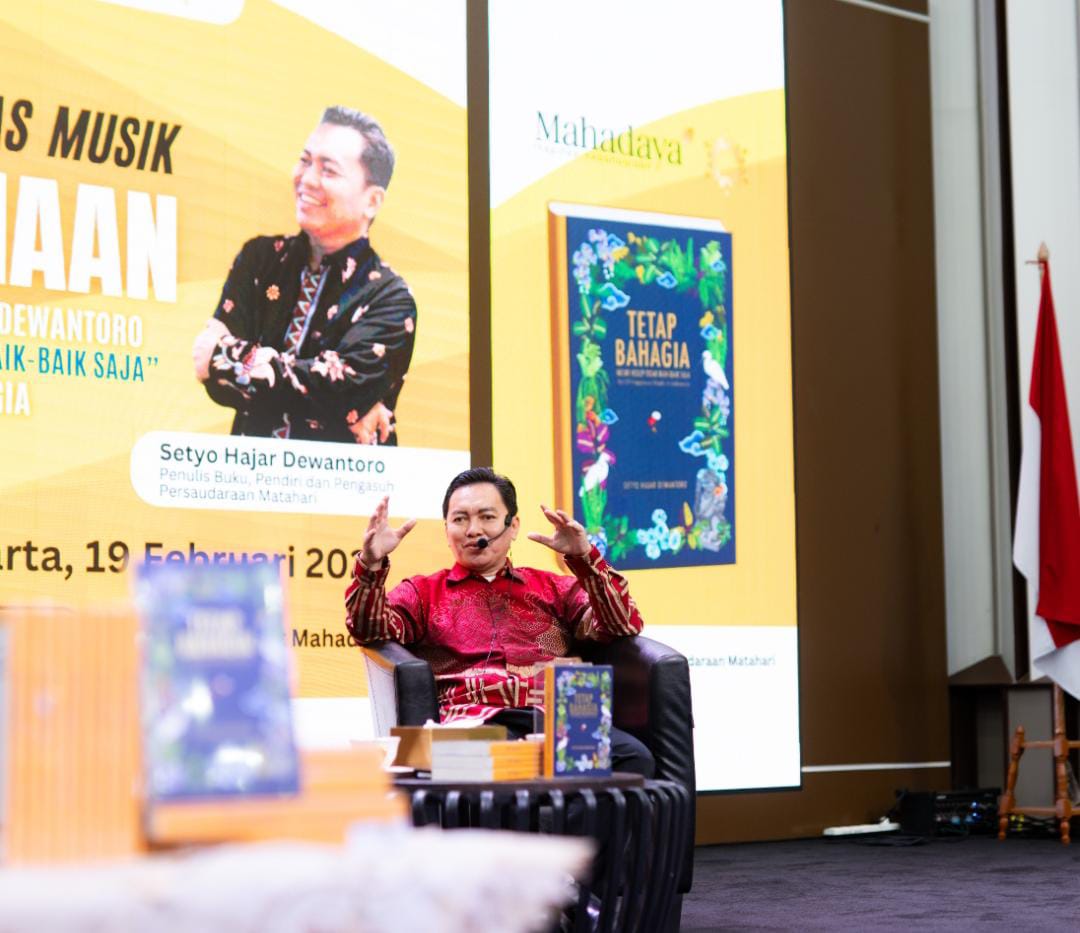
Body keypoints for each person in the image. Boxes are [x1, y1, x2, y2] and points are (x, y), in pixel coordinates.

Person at [344, 467, 656, 777]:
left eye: (487, 517)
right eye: (460, 519)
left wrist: (585, 559)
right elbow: (368, 630)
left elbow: (622, 624)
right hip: (475, 722)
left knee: (633, 757)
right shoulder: (422, 593)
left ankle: (566, 811)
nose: (473, 530)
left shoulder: (555, 589)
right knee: (492, 760)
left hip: (555, 719)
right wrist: (371, 564)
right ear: (446, 529)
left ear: (513, 525)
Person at [192, 106, 415, 444]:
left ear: (372, 201)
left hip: (339, 478)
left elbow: (339, 389)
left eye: (328, 170)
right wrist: (331, 396)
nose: (307, 179)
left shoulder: (390, 297)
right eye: (305, 161)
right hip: (248, 474)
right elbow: (212, 377)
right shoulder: (260, 259)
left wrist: (225, 358)